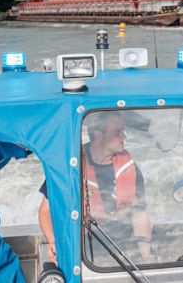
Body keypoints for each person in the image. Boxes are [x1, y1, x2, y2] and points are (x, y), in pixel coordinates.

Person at [38, 111, 152, 265]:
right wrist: (53, 242)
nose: (124, 136)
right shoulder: (70, 167)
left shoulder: (129, 167)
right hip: (85, 250)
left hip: (123, 247)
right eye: (117, 132)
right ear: (98, 136)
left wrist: (145, 258)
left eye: (123, 130)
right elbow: (45, 211)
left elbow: (139, 213)